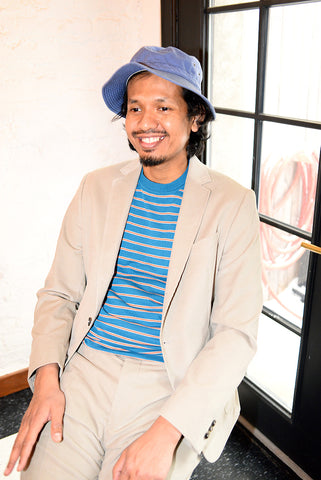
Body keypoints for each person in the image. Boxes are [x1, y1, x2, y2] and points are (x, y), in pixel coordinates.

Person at [4, 46, 262, 480]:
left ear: (194, 117)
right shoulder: (97, 188)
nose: (145, 122)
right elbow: (59, 293)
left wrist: (167, 431)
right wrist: (47, 382)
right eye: (135, 108)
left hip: (168, 382)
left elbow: (235, 334)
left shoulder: (232, 203)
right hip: (85, 368)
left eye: (163, 107)